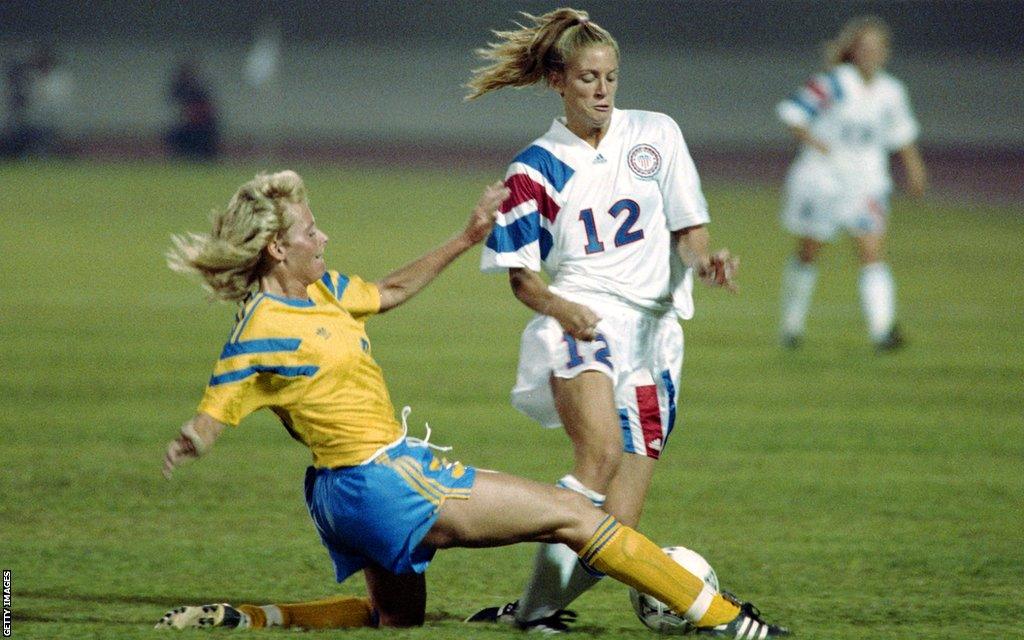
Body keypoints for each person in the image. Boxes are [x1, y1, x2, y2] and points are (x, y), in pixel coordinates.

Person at [155, 170, 787, 637]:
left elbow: (392, 289)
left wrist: (467, 236)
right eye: (309, 230)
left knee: (393, 620)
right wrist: (198, 433)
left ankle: (253, 620)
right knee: (575, 514)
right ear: (277, 249)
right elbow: (224, 391)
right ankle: (734, 623)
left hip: (338, 494)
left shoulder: (322, 288)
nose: (323, 234)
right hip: (384, 480)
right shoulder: (261, 323)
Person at [463, 7, 745, 632]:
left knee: (617, 529)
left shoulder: (656, 134)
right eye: (589, 78)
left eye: (612, 78)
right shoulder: (533, 168)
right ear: (558, 80)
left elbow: (689, 227)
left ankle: (531, 603)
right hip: (579, 325)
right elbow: (522, 279)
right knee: (597, 455)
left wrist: (704, 263)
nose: (602, 91)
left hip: (654, 340)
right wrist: (562, 308)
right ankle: (533, 614)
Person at [776, 16, 927, 352]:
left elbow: (902, 135)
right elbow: (792, 113)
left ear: (886, 52)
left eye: (877, 48)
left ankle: (882, 331)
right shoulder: (833, 83)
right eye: (864, 48)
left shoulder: (891, 91)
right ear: (853, 51)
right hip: (824, 180)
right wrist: (817, 143)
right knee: (809, 250)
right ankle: (791, 325)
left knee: (872, 250)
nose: (871, 54)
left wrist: (914, 169)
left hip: (867, 183)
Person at [165, 59, 220, 160]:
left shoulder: (199, 91)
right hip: (191, 127)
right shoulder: (183, 89)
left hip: (202, 128)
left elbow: (206, 112)